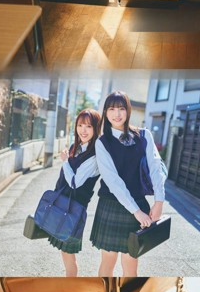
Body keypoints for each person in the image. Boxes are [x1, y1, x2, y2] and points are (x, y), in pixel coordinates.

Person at [90, 91, 166, 277]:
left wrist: (159, 201)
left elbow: (156, 169)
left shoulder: (144, 136)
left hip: (138, 202)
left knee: (131, 265)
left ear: (128, 111)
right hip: (112, 205)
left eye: (121, 108)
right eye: (112, 109)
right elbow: (113, 181)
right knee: (108, 262)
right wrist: (136, 211)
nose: (117, 114)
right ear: (106, 113)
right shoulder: (102, 142)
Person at [48, 109, 100, 276]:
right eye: (80, 125)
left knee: (68, 255)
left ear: (96, 129)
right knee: (64, 253)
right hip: (64, 206)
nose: (83, 130)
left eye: (88, 126)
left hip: (74, 211)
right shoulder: (76, 147)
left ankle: (70, 287)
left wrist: (65, 162)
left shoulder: (94, 155)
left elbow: (74, 182)